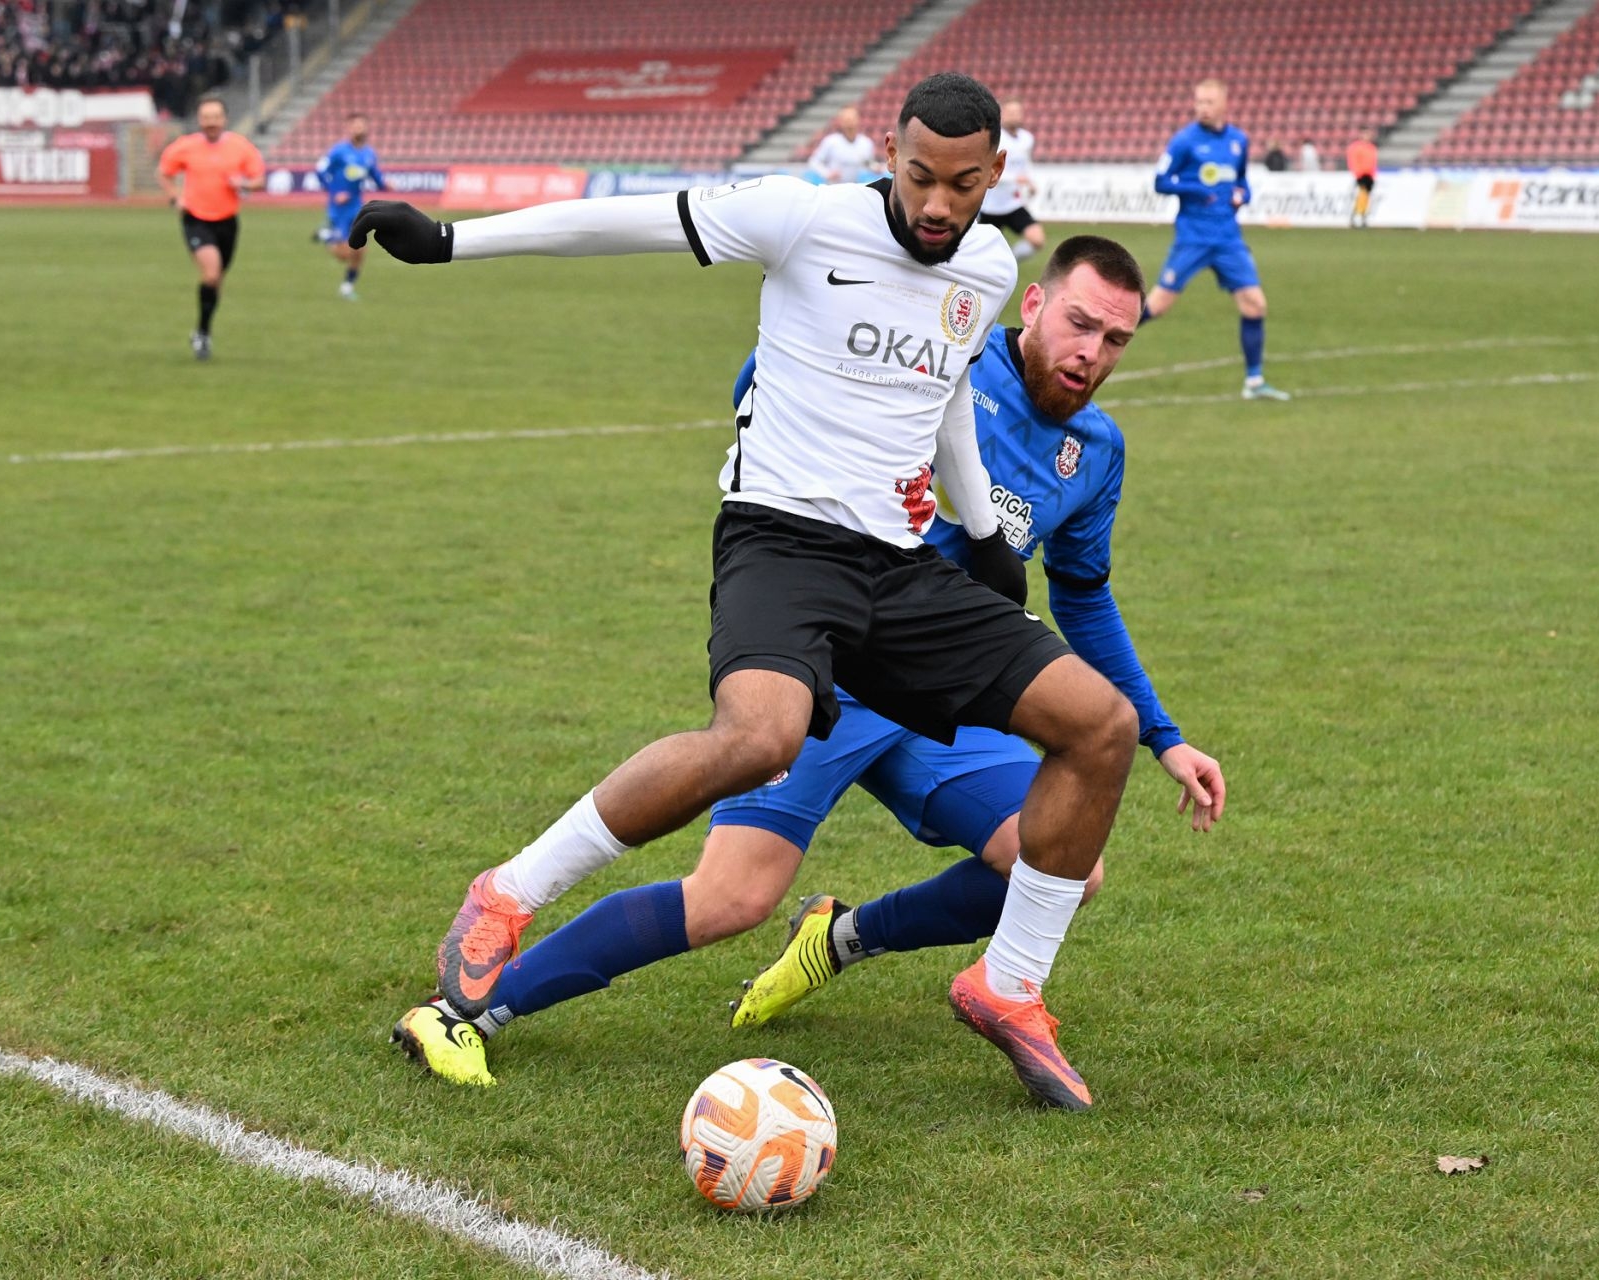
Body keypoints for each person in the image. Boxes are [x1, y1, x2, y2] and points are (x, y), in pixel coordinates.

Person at [355, 73, 1143, 1109]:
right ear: (889, 154)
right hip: (783, 542)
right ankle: (508, 892)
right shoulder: (802, 217)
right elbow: (623, 222)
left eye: (961, 184)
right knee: (759, 737)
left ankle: (1009, 985)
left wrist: (987, 535)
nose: (936, 204)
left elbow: (945, 384)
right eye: (918, 177)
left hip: (898, 567)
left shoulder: (988, 264)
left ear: (996, 174)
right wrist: (451, 241)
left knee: (1101, 726)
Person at [719, 240, 1225, 1054]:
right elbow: (768, 377)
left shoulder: (1094, 449)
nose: (1092, 352)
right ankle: (499, 972)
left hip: (944, 685)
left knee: (1062, 867)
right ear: (1034, 303)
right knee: (728, 899)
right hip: (832, 669)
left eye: (1115, 340)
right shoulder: (941, 356)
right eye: (1080, 324)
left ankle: (836, 940)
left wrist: (1164, 736)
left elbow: (1083, 596)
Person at [1142, 79, 1289, 401]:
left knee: (1255, 304)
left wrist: (1242, 196)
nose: (1202, 108)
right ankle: (1097, 339)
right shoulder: (1184, 141)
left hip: (1228, 238)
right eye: (1198, 102)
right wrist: (1196, 190)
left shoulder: (1238, 140)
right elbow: (1160, 182)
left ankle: (1254, 382)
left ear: (1224, 104)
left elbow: (1242, 183)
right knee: (1158, 305)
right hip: (1193, 237)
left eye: (1209, 102)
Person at [155, 96, 263, 360]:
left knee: (216, 282)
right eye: (206, 117)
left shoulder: (240, 147)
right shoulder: (186, 146)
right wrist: (175, 197)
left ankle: (202, 330)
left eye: (215, 117)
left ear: (224, 119)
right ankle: (203, 335)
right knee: (211, 274)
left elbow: (259, 179)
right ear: (199, 120)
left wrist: (243, 184)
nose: (211, 122)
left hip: (228, 221)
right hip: (196, 219)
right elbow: (164, 172)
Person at [314, 111, 386, 299]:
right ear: (349, 128)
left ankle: (347, 287)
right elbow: (321, 172)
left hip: (356, 206)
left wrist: (385, 184)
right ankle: (326, 236)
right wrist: (334, 192)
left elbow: (375, 177)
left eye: (362, 125)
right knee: (343, 255)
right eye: (355, 125)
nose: (358, 129)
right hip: (338, 209)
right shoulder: (339, 151)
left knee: (360, 250)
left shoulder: (369, 154)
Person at [979, 99, 1044, 262]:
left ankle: (1009, 263)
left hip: (1012, 204)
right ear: (1002, 115)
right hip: (990, 207)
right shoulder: (995, 138)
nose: (1014, 116)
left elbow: (1025, 164)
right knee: (981, 253)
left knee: (1037, 239)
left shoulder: (1027, 138)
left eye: (1017, 112)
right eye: (1010, 112)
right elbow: (987, 171)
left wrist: (1030, 183)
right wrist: (1016, 179)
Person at [804, 106, 882, 184]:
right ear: (841, 122)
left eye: (852, 119)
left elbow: (868, 163)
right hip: (835, 187)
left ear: (858, 120)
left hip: (857, 187)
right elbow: (814, 161)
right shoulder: (831, 141)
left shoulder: (866, 143)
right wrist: (827, 173)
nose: (849, 123)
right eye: (846, 119)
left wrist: (876, 167)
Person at [1347, 129, 1378, 229]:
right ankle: (1356, 216)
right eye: (1365, 134)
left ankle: (1362, 216)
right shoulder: (1356, 147)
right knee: (1362, 195)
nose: (1367, 137)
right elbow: (1353, 161)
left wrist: (1373, 174)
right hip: (1361, 174)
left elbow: (1373, 162)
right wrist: (1357, 173)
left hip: (1370, 175)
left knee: (1366, 197)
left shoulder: (1372, 147)